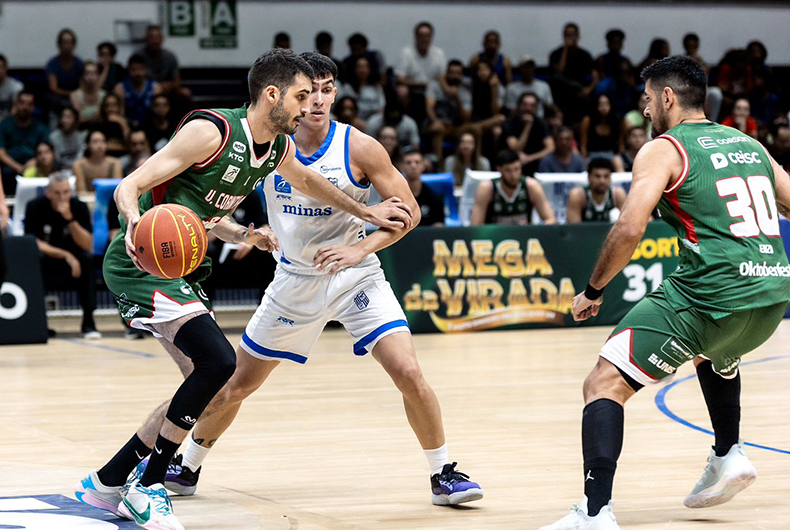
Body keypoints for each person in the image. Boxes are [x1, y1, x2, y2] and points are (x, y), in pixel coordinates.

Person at [74, 48, 411, 530]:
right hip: (143, 263)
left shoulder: (275, 148)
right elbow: (130, 185)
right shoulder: (210, 132)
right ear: (272, 95)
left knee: (209, 390)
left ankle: (107, 480)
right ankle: (147, 488)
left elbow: (308, 183)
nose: (308, 106)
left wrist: (246, 233)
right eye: (301, 96)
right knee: (218, 364)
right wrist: (134, 222)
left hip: (182, 268)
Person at [151, 53, 479, 507]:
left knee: (408, 371)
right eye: (311, 92)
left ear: (335, 93)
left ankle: (443, 473)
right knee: (234, 387)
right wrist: (244, 233)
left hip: (356, 278)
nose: (319, 101)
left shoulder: (360, 147)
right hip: (293, 281)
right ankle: (187, 466)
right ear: (293, 95)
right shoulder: (269, 143)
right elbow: (215, 200)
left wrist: (360, 249)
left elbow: (410, 213)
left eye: (327, 90)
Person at [540, 55, 790, 530]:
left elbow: (630, 227)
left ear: (668, 97)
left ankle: (594, 513)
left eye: (648, 99)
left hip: (710, 296)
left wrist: (593, 289)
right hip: (772, 297)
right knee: (711, 350)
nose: (645, 109)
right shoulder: (749, 144)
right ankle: (728, 453)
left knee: (603, 383)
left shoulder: (664, 149)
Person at [24, 171, 98, 338]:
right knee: (35, 262)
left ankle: (89, 322)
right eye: (57, 193)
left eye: (66, 192)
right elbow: (33, 242)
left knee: (87, 260)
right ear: (48, 193)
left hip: (76, 263)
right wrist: (65, 255)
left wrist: (70, 219)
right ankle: (40, 324)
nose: (62, 197)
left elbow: (87, 244)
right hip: (48, 260)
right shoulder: (35, 207)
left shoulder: (79, 207)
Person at [471, 149, 555, 225]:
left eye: (516, 169)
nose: (513, 175)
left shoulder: (531, 186)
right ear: (499, 169)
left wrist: (532, 229)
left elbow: (551, 220)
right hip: (494, 235)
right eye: (508, 170)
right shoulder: (487, 187)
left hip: (523, 235)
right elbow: (475, 225)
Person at [0, 91, 50, 195]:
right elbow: (1, 152)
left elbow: (46, 150)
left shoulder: (41, 128)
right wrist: (17, 167)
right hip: (9, 165)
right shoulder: (5, 125)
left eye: (29, 104)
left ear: (33, 107)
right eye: (22, 103)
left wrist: (35, 161)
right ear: (16, 104)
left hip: (34, 163)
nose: (25, 107)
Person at [425, 60, 472, 159]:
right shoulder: (435, 85)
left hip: (454, 126)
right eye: (452, 73)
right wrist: (435, 121)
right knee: (438, 129)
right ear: (447, 73)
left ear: (462, 75)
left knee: (472, 130)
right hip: (436, 123)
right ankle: (438, 164)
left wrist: (457, 98)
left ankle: (466, 164)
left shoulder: (465, 91)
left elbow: (466, 117)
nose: (455, 76)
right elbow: (429, 107)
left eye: (458, 73)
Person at [549, 23, 595, 120]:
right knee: (555, 79)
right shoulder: (555, 54)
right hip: (563, 90)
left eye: (572, 34)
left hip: (580, 90)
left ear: (578, 37)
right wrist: (566, 48)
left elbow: (595, 74)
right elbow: (559, 72)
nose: (569, 37)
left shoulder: (585, 55)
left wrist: (589, 89)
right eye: (567, 34)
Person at [500, 92, 554, 175]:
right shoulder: (509, 122)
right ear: (519, 106)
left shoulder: (540, 122)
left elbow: (551, 147)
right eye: (525, 105)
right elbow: (516, 148)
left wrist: (530, 158)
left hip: (534, 162)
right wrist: (528, 126)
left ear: (536, 108)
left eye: (532, 105)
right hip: (511, 161)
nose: (528, 108)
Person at [565, 157, 626, 223]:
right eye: (597, 176)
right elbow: (573, 227)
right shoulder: (578, 195)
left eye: (606, 176)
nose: (602, 181)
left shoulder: (617, 195)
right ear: (589, 177)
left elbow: (626, 224)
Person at [396, 22, 447, 91]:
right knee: (402, 90)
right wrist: (420, 84)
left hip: (432, 89)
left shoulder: (439, 53)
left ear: (431, 37)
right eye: (421, 36)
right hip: (412, 88)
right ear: (416, 37)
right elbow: (400, 78)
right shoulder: (406, 53)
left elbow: (442, 76)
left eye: (427, 36)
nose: (424, 39)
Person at [115, 54, 161, 128]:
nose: (138, 73)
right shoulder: (120, 88)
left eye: (141, 69)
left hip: (150, 126)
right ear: (129, 70)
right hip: (127, 125)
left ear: (146, 70)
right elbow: (120, 113)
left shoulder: (155, 88)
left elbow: (158, 112)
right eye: (134, 69)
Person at [46, 28, 84, 115]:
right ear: (59, 45)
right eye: (64, 42)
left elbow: (82, 87)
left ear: (74, 45)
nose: (67, 46)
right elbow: (54, 88)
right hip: (58, 97)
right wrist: (70, 94)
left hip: (77, 96)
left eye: (69, 42)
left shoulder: (79, 64)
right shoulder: (52, 64)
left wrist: (75, 95)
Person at [404, 148, 445, 226]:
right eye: (408, 163)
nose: (413, 166)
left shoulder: (435, 197)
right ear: (403, 166)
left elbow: (439, 225)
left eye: (417, 162)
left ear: (423, 166)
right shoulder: (395, 197)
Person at [340, 56, 385, 121]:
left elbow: (382, 108)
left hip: (375, 122)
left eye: (365, 67)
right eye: (359, 67)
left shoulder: (377, 88)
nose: (362, 70)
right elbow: (346, 110)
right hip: (356, 122)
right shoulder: (348, 88)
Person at [580, 94, 622, 159]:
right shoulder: (588, 121)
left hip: (611, 155)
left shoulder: (616, 121)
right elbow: (583, 145)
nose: (604, 108)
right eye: (601, 104)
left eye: (606, 104)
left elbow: (620, 145)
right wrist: (584, 158)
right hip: (592, 155)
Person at [0, 54, 24, 121]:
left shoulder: (16, 86)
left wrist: (6, 123)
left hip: (10, 121)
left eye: (1, 67)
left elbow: (17, 108)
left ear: (6, 68)